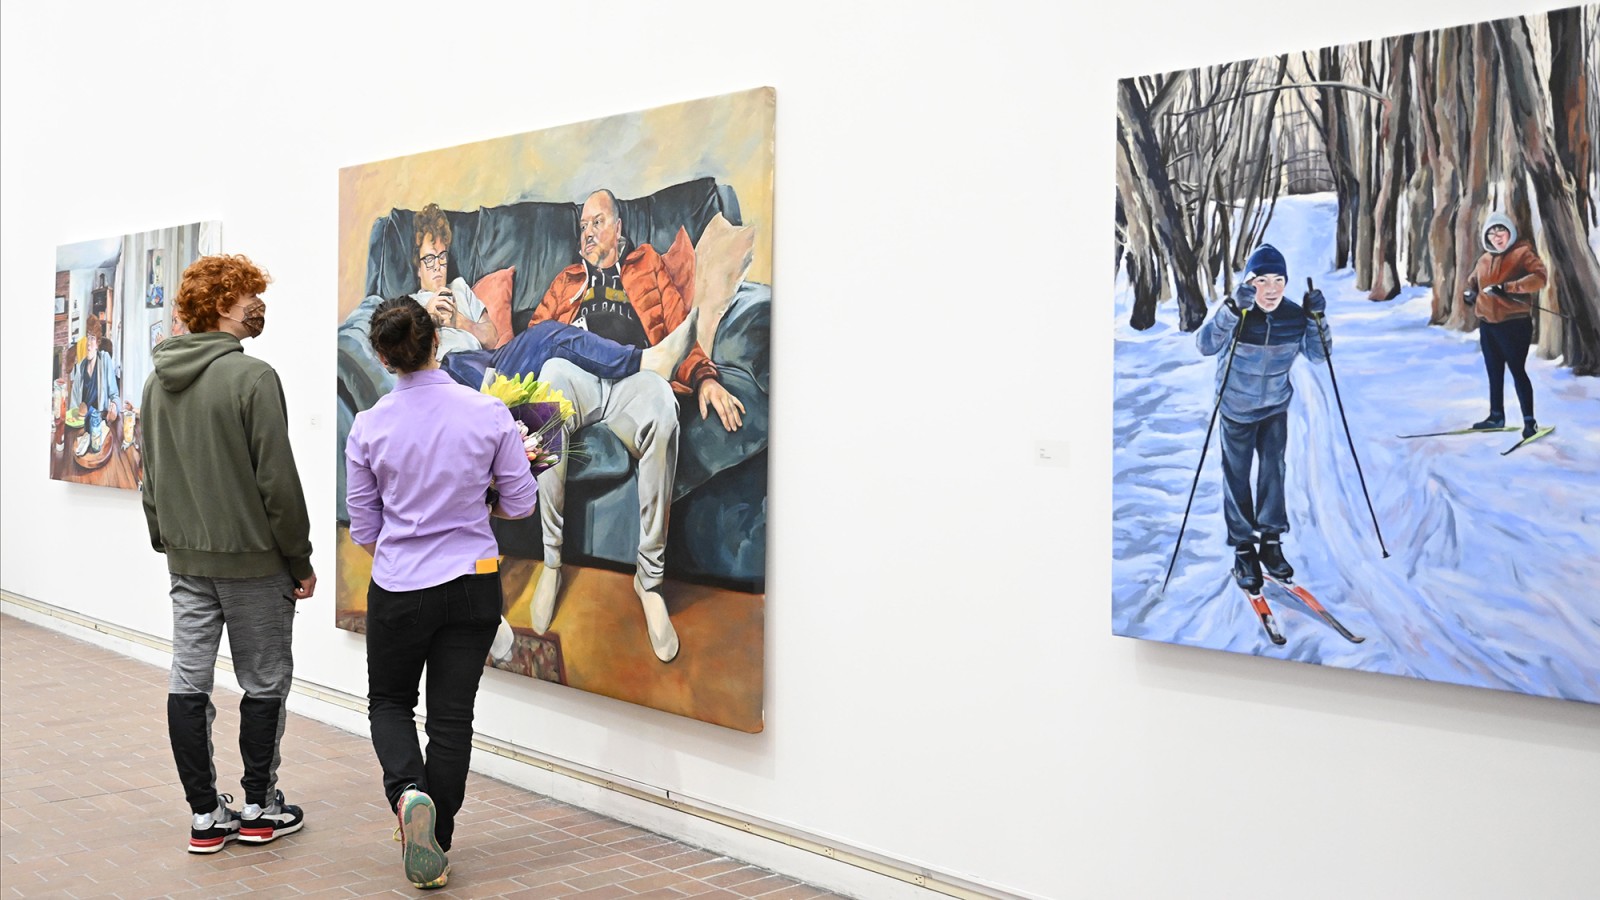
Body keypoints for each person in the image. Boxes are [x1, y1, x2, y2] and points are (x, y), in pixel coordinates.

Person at [345, 298, 540, 890]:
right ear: (438, 342)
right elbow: (522, 504)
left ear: (382, 357)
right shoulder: (487, 414)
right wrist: (491, 491)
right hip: (473, 585)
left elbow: (365, 529)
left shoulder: (369, 425)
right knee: (452, 720)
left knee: (390, 703)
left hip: (400, 587)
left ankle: (409, 795)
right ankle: (437, 837)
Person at [140, 254, 315, 853]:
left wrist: (168, 540)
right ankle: (261, 808)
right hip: (255, 564)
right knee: (263, 681)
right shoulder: (253, 378)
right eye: (249, 297)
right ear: (219, 305)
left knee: (188, 680)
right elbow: (279, 484)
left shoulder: (155, 381)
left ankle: (204, 816)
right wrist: (301, 558)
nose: (259, 306)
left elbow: (150, 477)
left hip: (187, 562)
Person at [527, 189, 747, 662]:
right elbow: (535, 340)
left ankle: (649, 581)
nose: (587, 232)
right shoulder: (565, 280)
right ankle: (551, 560)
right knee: (546, 383)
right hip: (578, 380)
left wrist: (705, 378)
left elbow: (676, 332)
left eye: (597, 222)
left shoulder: (647, 266)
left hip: (634, 381)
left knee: (663, 404)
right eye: (582, 225)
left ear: (619, 228)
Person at [1196, 244, 1331, 593]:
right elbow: (1205, 344)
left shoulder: (1292, 316)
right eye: (1262, 281)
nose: (1271, 289)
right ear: (1248, 283)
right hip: (1235, 408)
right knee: (1236, 475)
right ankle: (1244, 548)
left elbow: (1319, 356)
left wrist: (1317, 319)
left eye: (1279, 280)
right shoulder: (1237, 313)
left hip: (1274, 407)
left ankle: (1270, 543)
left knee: (1274, 471)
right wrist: (1229, 309)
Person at [1463, 211, 1548, 439]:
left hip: (1514, 324)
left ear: (1509, 232)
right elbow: (1472, 281)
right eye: (1491, 232)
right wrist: (1470, 293)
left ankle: (1529, 421)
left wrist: (1509, 288)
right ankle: (1496, 415)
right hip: (1488, 325)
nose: (1496, 236)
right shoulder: (1484, 259)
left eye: (1501, 230)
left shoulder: (1522, 253)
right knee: (1494, 371)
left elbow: (1540, 277)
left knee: (1517, 371)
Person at [69, 315, 120, 453]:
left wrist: (114, 406)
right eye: (87, 337)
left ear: (97, 343)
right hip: (82, 429)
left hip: (100, 425)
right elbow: (74, 405)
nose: (89, 343)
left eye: (92, 338)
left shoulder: (105, 360)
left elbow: (114, 395)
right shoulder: (80, 367)